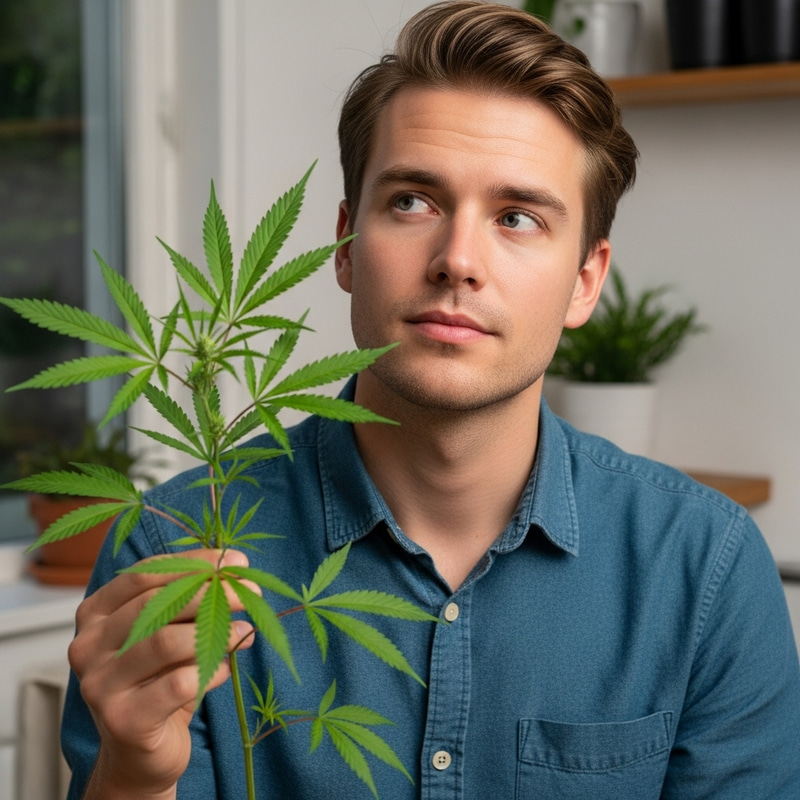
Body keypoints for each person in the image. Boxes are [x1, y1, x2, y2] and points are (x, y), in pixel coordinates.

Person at [62, 2, 800, 798]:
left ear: (585, 281)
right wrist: (133, 777)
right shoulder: (174, 546)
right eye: (413, 201)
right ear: (346, 245)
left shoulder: (705, 569)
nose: (457, 260)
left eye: (517, 218)